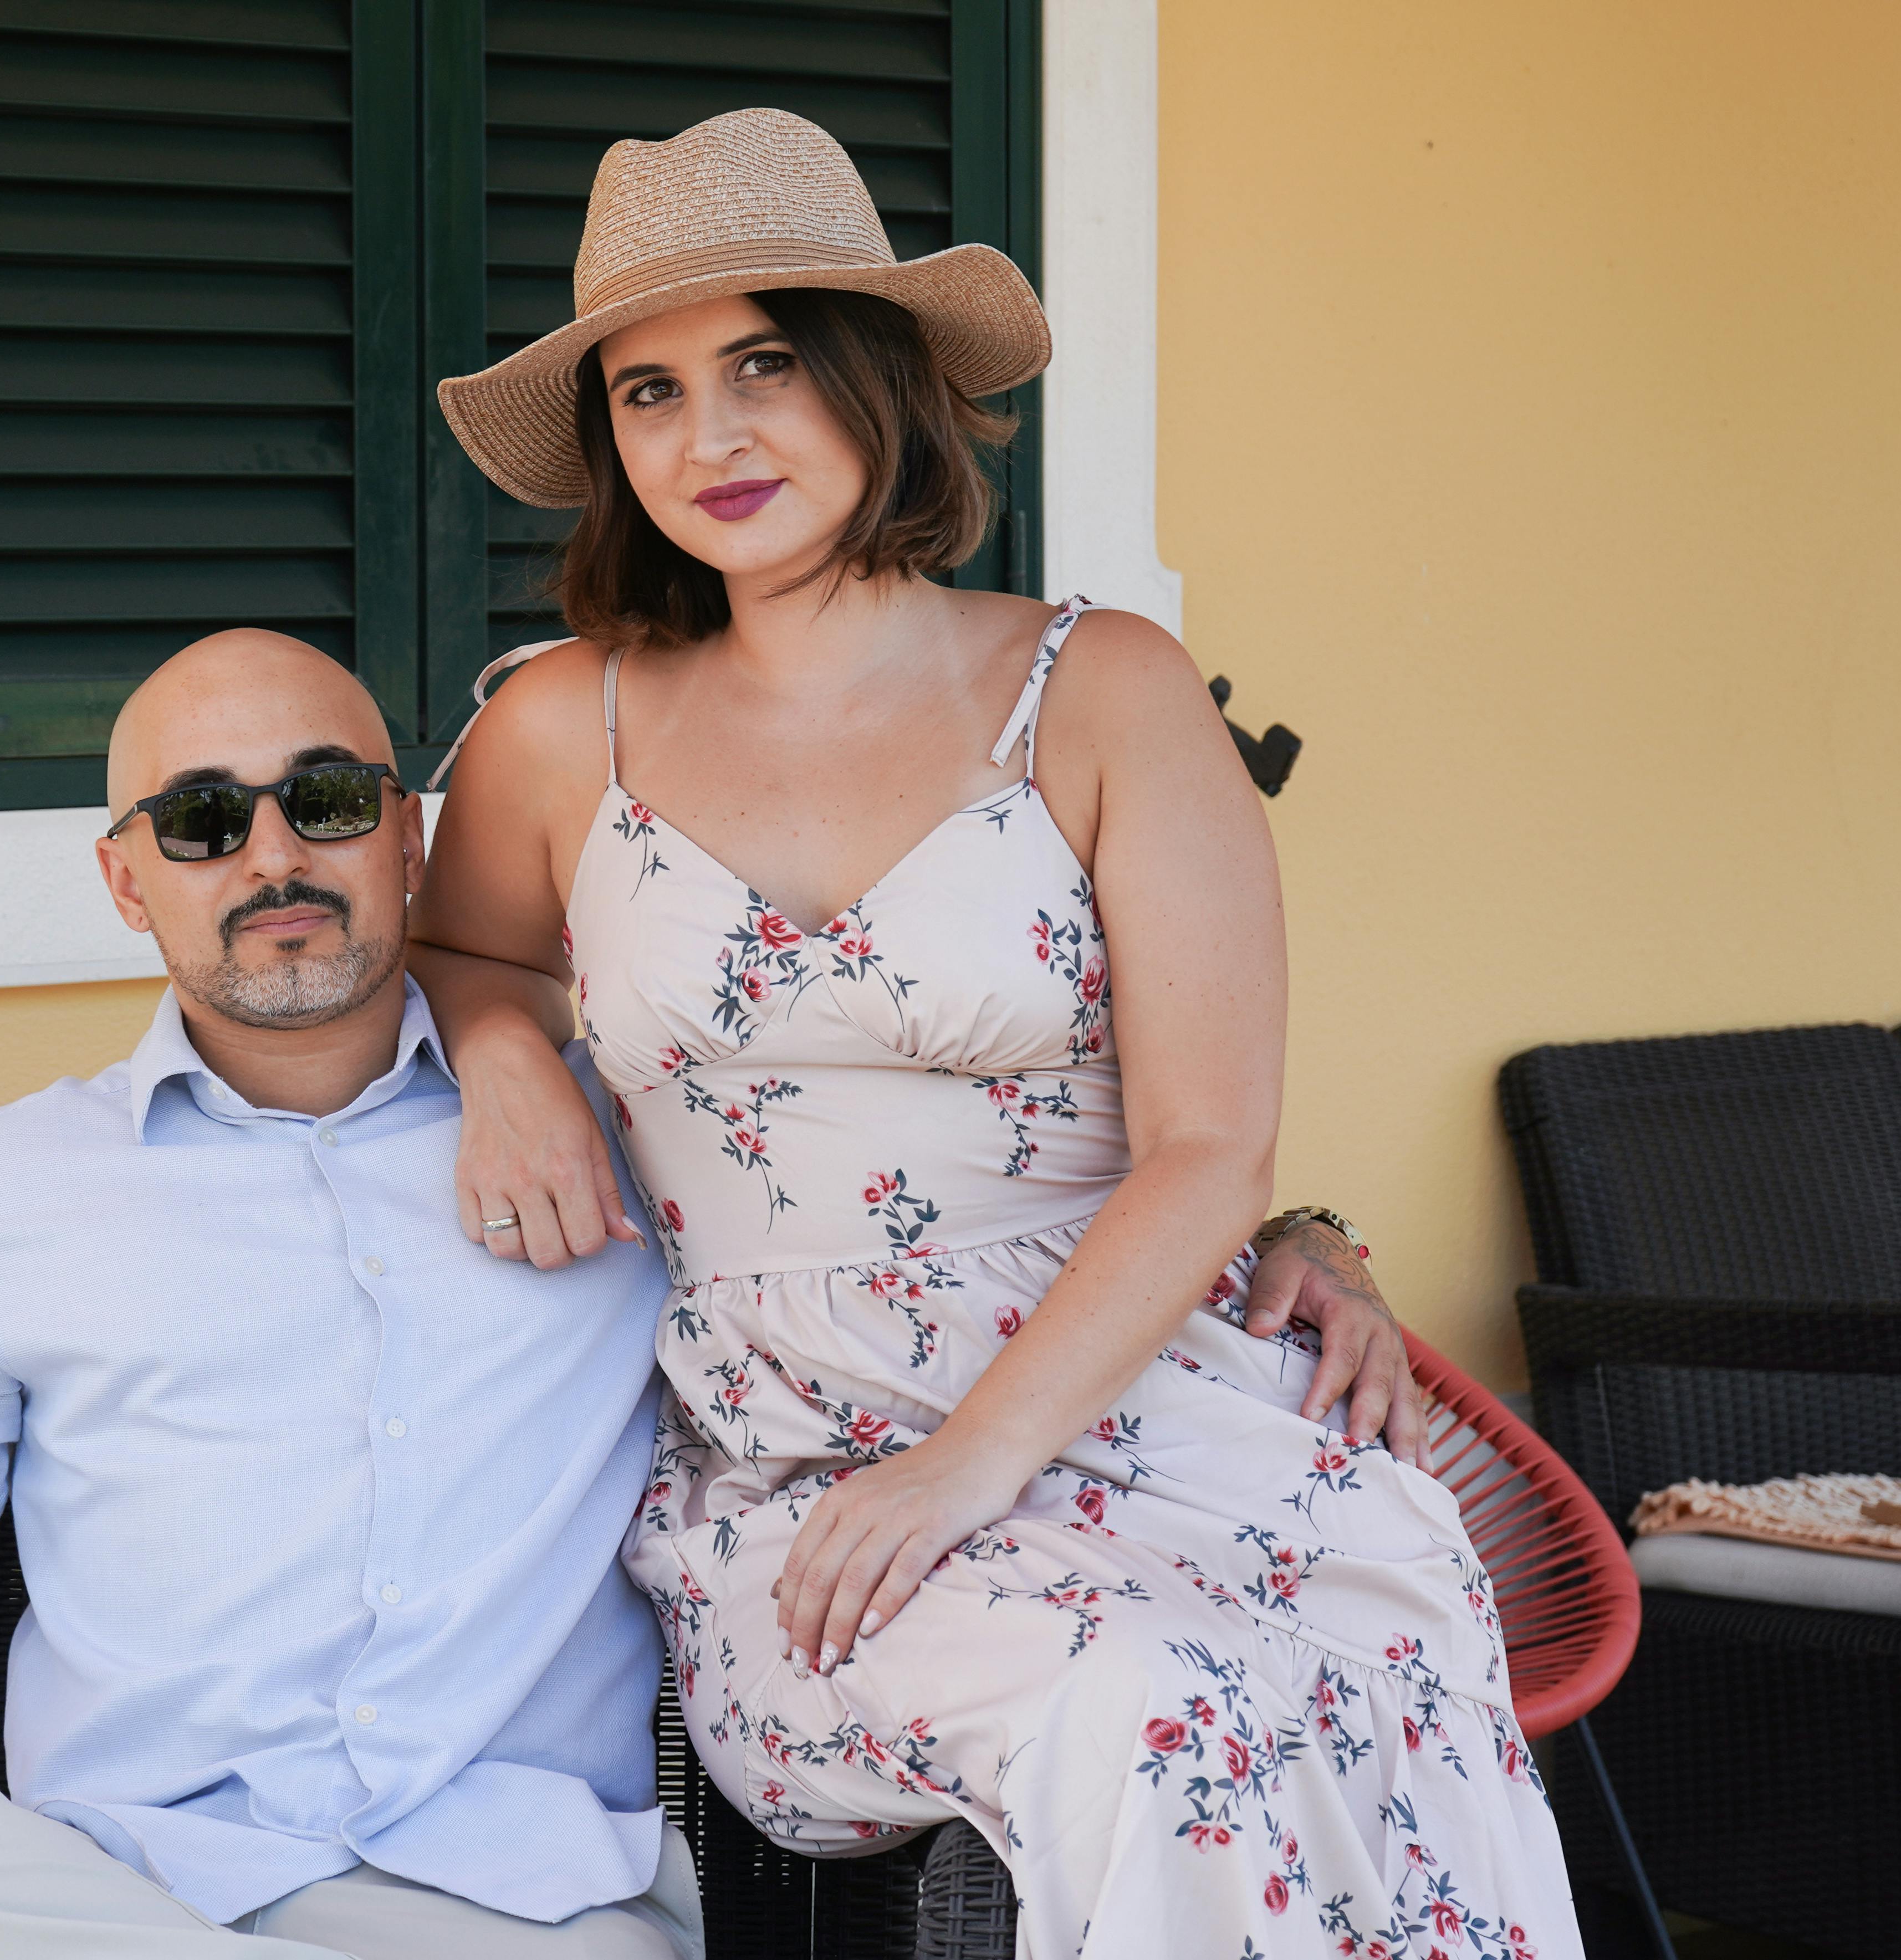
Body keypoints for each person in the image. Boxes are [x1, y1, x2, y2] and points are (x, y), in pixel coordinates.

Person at [0, 625, 1430, 1958]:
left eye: (326, 794)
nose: (269, 853)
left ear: (413, 836)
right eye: (200, 820)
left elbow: (952, 1214)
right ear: (127, 885)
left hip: (516, 1907)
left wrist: (1292, 1242)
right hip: (105, 1880)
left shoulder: (653, 1139)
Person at [411, 110, 1580, 1958]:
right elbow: (461, 944)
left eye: (764, 366)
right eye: (647, 393)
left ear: (881, 382)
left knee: (1290, 1675)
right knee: (1149, 1706)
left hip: (1127, 1403)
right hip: (781, 1459)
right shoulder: (564, 727)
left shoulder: (1099, 687)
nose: (704, 439)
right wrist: (494, 1053)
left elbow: (1212, 1145)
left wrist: (967, 1457)